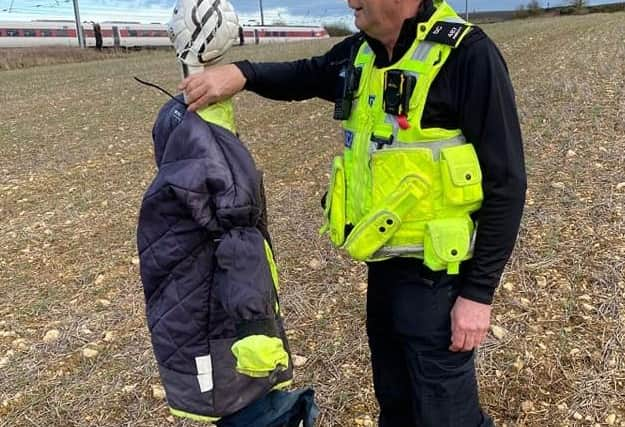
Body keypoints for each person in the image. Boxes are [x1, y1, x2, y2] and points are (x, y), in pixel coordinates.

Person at [179, 0, 526, 425]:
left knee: (447, 415)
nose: (349, 2)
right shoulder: (362, 52)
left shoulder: (467, 55)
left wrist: (478, 295)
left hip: (441, 279)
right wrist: (243, 73)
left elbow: (507, 183)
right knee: (395, 402)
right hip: (383, 267)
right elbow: (305, 75)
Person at [137, 0, 318, 425]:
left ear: (176, 39)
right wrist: (257, 331)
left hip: (185, 292)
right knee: (241, 401)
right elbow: (241, 248)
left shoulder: (175, 117)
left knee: (230, 401)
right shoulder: (214, 145)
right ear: (229, 37)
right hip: (211, 306)